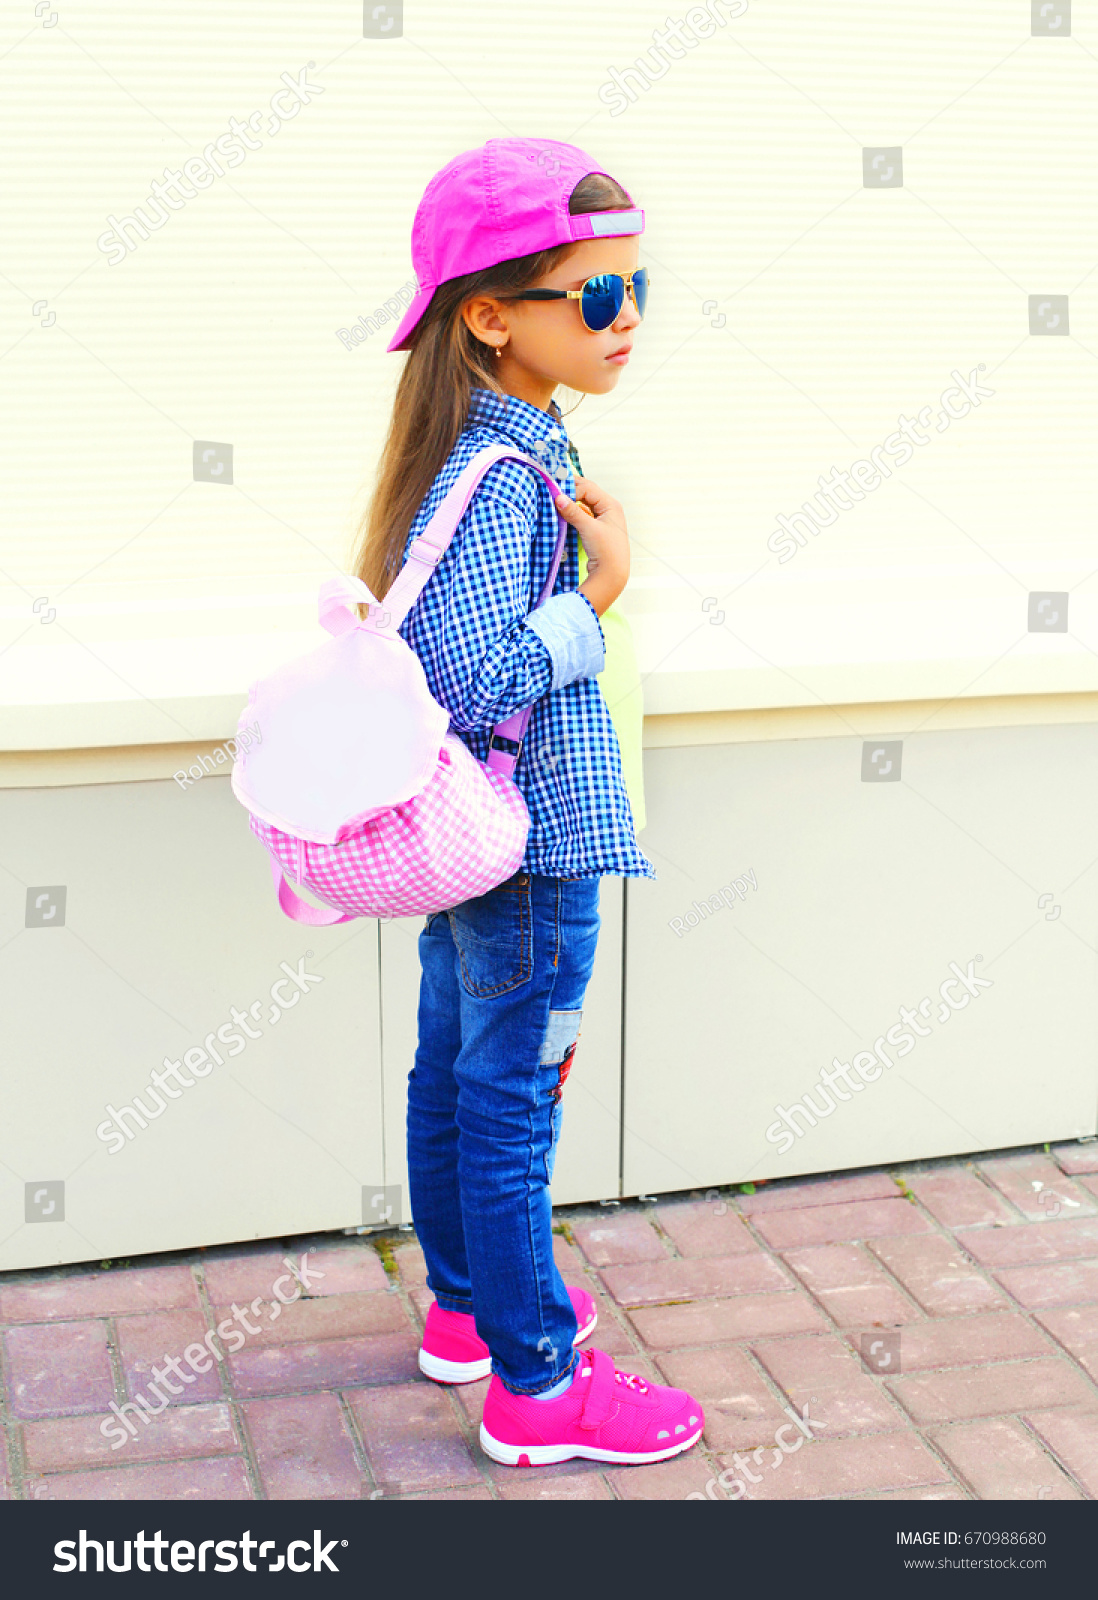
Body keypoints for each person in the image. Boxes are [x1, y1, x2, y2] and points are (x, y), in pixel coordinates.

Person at [353, 138, 704, 1468]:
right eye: (597, 299)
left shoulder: (484, 454)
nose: (627, 324)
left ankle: (466, 1316)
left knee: (458, 1076)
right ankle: (538, 1383)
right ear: (491, 318)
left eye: (636, 291)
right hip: (531, 845)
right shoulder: (509, 479)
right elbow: (472, 682)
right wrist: (593, 601)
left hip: (483, 848)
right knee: (511, 1099)